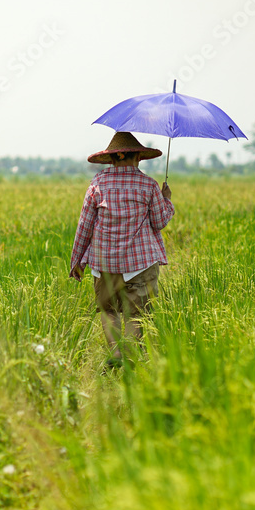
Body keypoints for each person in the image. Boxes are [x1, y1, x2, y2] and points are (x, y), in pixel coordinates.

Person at [69, 132, 174, 367]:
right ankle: (128, 358)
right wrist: (166, 199)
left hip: (103, 262)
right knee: (137, 314)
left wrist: (77, 260)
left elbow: (84, 226)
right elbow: (159, 222)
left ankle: (116, 355)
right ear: (137, 157)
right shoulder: (149, 185)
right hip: (140, 263)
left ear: (112, 159)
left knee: (109, 312)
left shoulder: (97, 184)